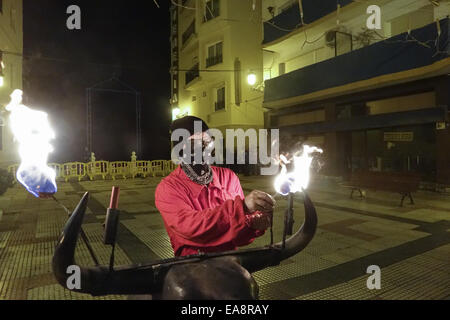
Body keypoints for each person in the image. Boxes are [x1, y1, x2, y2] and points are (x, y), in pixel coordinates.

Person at [155, 116, 275, 257]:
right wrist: (242, 207)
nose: (206, 147)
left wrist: (253, 225)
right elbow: (191, 227)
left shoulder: (228, 177)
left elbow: (237, 233)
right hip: (190, 267)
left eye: (209, 140)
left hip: (229, 261)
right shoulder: (168, 188)